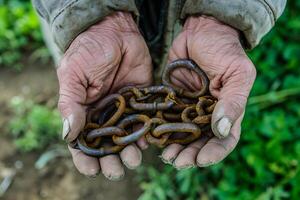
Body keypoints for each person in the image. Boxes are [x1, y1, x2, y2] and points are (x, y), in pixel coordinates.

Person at [32, 0, 286, 180]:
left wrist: (219, 19)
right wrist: (88, 17)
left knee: (138, 119)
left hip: (188, 36)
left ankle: (150, 148)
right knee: (85, 80)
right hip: (97, 46)